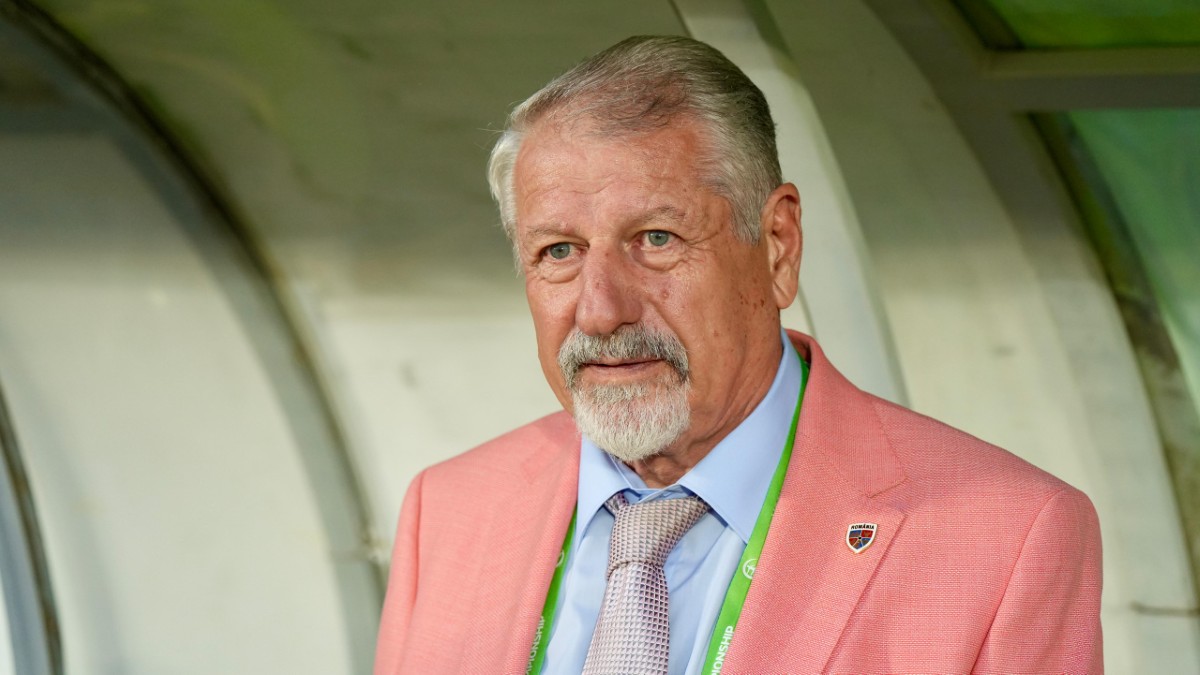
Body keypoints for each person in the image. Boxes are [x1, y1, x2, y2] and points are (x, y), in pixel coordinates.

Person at [374, 35, 1102, 674]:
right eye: (559, 250)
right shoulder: (448, 510)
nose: (600, 310)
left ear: (778, 246)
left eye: (656, 239)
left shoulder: (1005, 538)